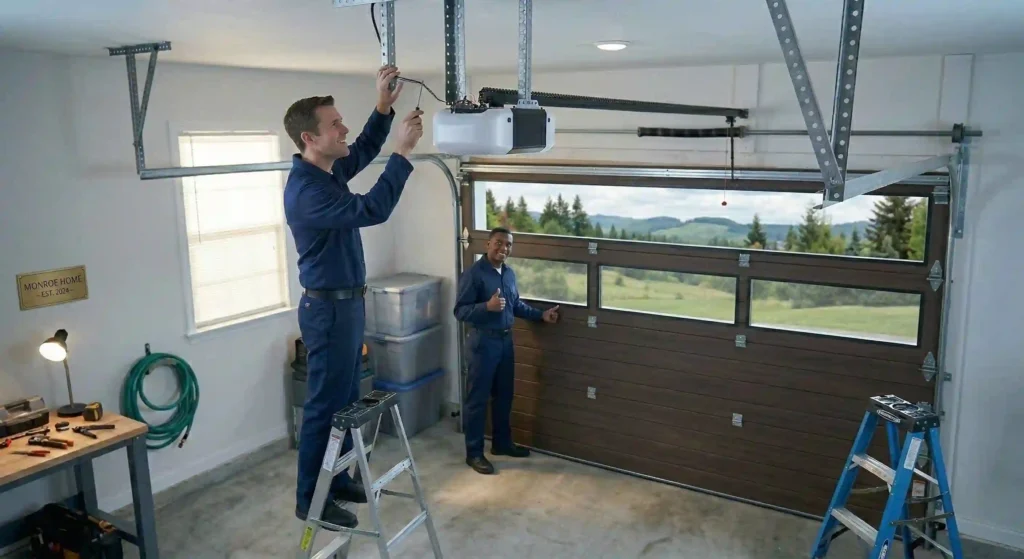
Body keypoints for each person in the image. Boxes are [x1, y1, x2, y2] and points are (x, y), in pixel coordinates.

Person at [283, 65, 423, 529]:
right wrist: (402, 151)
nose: (344, 128)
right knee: (325, 405)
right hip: (327, 310)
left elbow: (361, 149)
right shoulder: (306, 192)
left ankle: (337, 478)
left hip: (346, 304)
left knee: (344, 400)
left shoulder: (325, 171)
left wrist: (383, 107)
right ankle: (311, 499)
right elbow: (373, 208)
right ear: (310, 137)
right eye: (335, 124)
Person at [454, 227, 560, 475]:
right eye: (499, 243)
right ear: (488, 244)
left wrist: (541, 315)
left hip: (505, 343)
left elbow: (515, 305)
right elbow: (459, 311)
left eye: (508, 245)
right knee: (477, 401)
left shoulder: (509, 274)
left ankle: (501, 444)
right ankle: (474, 453)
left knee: (504, 396)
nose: (504, 248)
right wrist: (486, 307)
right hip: (482, 344)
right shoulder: (474, 275)